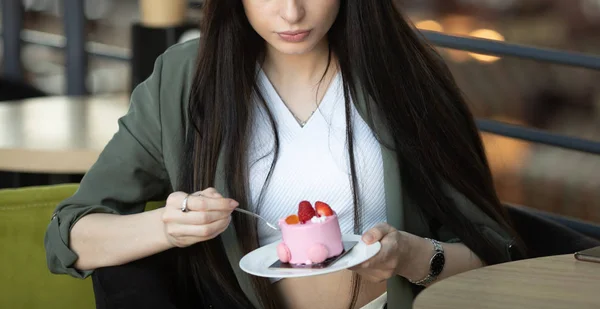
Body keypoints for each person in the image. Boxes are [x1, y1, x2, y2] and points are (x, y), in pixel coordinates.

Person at [44, 1, 525, 308]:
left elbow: (499, 257)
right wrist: (170, 227)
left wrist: (413, 256)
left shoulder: (408, 78)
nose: (292, 13)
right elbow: (72, 236)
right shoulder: (185, 80)